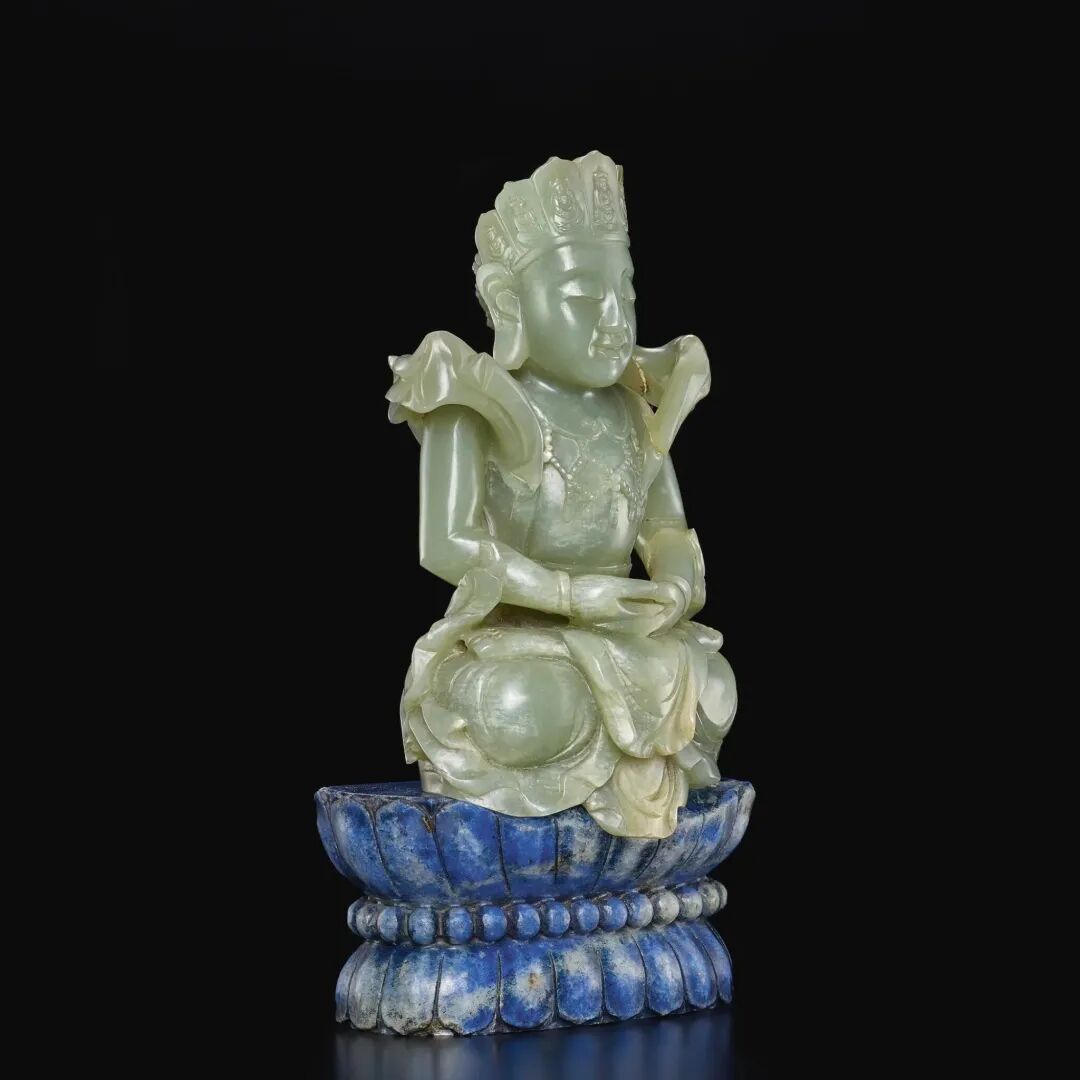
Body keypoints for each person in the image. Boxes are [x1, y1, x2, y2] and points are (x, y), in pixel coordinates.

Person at [386, 152, 737, 839]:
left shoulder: (631, 407)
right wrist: (573, 596)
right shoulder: (475, 401)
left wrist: (672, 584)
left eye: (624, 296)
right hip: (516, 637)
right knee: (523, 705)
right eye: (582, 299)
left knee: (714, 683)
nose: (613, 322)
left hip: (625, 632)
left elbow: (665, 527)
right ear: (508, 301)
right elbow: (445, 545)